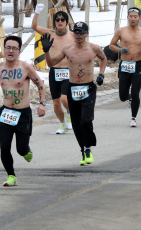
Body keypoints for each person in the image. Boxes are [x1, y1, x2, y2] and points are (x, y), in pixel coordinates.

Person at [0, 36, 46, 186]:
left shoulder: (26, 67)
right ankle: (11, 176)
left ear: (19, 51)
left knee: (21, 149)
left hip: (23, 113)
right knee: (4, 146)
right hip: (6, 113)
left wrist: (42, 103)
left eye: (14, 48)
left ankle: (26, 150)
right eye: (8, 48)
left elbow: (40, 84)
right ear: (4, 50)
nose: (10, 51)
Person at [42, 22, 107, 166]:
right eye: (76, 32)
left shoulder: (94, 48)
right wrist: (46, 51)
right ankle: (83, 150)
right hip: (72, 88)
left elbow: (104, 58)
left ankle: (88, 147)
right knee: (77, 123)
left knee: (86, 120)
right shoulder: (67, 49)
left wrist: (101, 74)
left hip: (88, 88)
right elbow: (52, 63)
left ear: (86, 34)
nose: (78, 35)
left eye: (81, 32)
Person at [31, 4, 74, 134]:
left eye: (62, 20)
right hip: (54, 71)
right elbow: (34, 27)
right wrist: (37, 12)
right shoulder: (49, 33)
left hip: (68, 71)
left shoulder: (72, 35)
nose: (60, 22)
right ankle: (63, 124)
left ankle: (69, 115)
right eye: (57, 20)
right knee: (56, 103)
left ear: (66, 22)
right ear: (54, 22)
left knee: (64, 99)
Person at [109, 8, 141, 127]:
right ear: (128, 18)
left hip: (138, 65)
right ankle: (128, 98)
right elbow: (111, 45)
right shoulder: (121, 31)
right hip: (125, 65)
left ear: (140, 18)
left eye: (135, 16)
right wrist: (120, 49)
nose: (133, 18)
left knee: (135, 92)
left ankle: (133, 118)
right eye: (131, 16)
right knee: (123, 96)